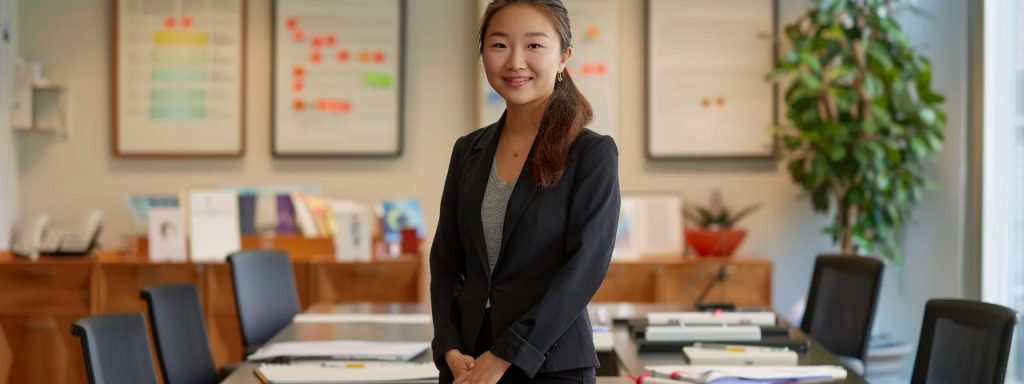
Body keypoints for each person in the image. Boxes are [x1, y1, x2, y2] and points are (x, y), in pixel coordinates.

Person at [430, 1, 620, 383]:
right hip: (466, 363)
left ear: (564, 57)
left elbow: (584, 270)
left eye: (534, 46)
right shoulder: (468, 150)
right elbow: (446, 261)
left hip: (549, 363)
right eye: (499, 45)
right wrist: (448, 346)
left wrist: (505, 354)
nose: (515, 62)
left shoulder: (591, 153)